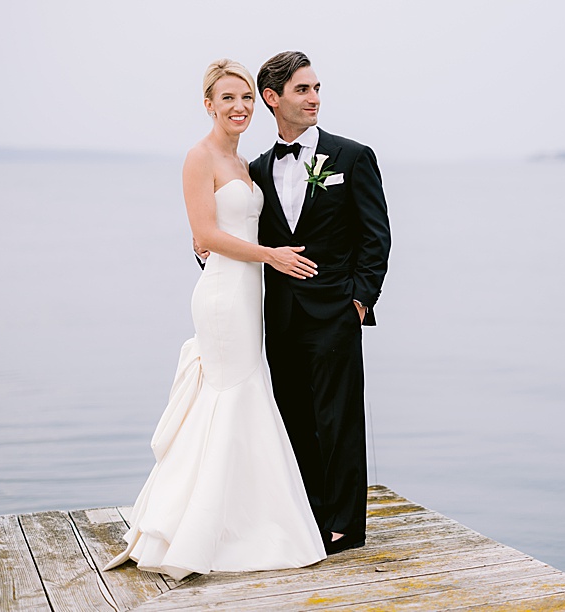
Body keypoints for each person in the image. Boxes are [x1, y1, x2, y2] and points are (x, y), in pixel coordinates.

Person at [104, 59, 326, 580]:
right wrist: (270, 255)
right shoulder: (198, 157)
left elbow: (238, 225)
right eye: (228, 98)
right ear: (209, 104)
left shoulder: (246, 164)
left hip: (250, 295)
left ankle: (239, 519)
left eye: (246, 97)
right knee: (230, 395)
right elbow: (204, 234)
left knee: (244, 395)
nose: (239, 107)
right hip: (225, 296)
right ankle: (198, 528)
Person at [251, 51, 392, 555]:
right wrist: (206, 253)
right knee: (293, 417)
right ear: (274, 98)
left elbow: (376, 238)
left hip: (336, 312)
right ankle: (306, 516)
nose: (314, 99)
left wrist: (358, 302)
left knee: (339, 420)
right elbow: (249, 241)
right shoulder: (255, 170)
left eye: (316, 89)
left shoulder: (353, 156)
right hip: (281, 316)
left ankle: (344, 527)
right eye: (302, 90)